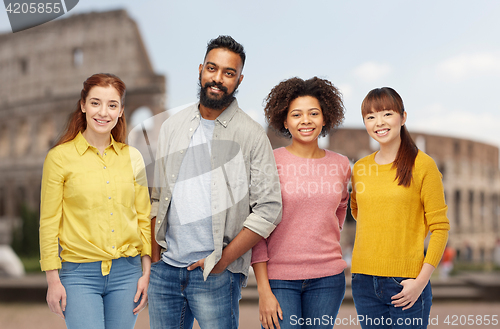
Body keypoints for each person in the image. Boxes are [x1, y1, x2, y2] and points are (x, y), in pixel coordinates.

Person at [148, 35, 282, 329]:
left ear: (239, 80)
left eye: (228, 73)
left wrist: (223, 260)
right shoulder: (172, 127)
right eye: (212, 68)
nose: (217, 78)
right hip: (165, 271)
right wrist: (155, 254)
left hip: (216, 275)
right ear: (200, 69)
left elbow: (269, 209)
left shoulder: (252, 135)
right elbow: (157, 196)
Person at [39, 73, 152, 329]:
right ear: (83, 105)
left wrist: (146, 273)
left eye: (112, 105)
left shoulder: (133, 158)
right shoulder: (59, 158)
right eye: (95, 103)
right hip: (79, 275)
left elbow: (144, 218)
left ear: (121, 111)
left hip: (128, 274)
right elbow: (49, 223)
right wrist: (52, 280)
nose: (104, 112)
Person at [251, 77, 350, 329]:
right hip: (279, 279)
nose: (306, 120)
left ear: (325, 118)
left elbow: (342, 204)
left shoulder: (341, 164)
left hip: (328, 277)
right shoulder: (268, 162)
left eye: (313, 113)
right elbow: (256, 225)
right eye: (296, 114)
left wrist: (323, 231)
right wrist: (263, 289)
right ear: (285, 121)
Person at [350, 87, 450, 329]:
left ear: (403, 117)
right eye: (370, 117)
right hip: (363, 280)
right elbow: (359, 213)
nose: (379, 123)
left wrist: (420, 281)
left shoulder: (423, 165)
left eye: (387, 114)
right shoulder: (360, 169)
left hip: (408, 281)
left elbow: (440, 228)